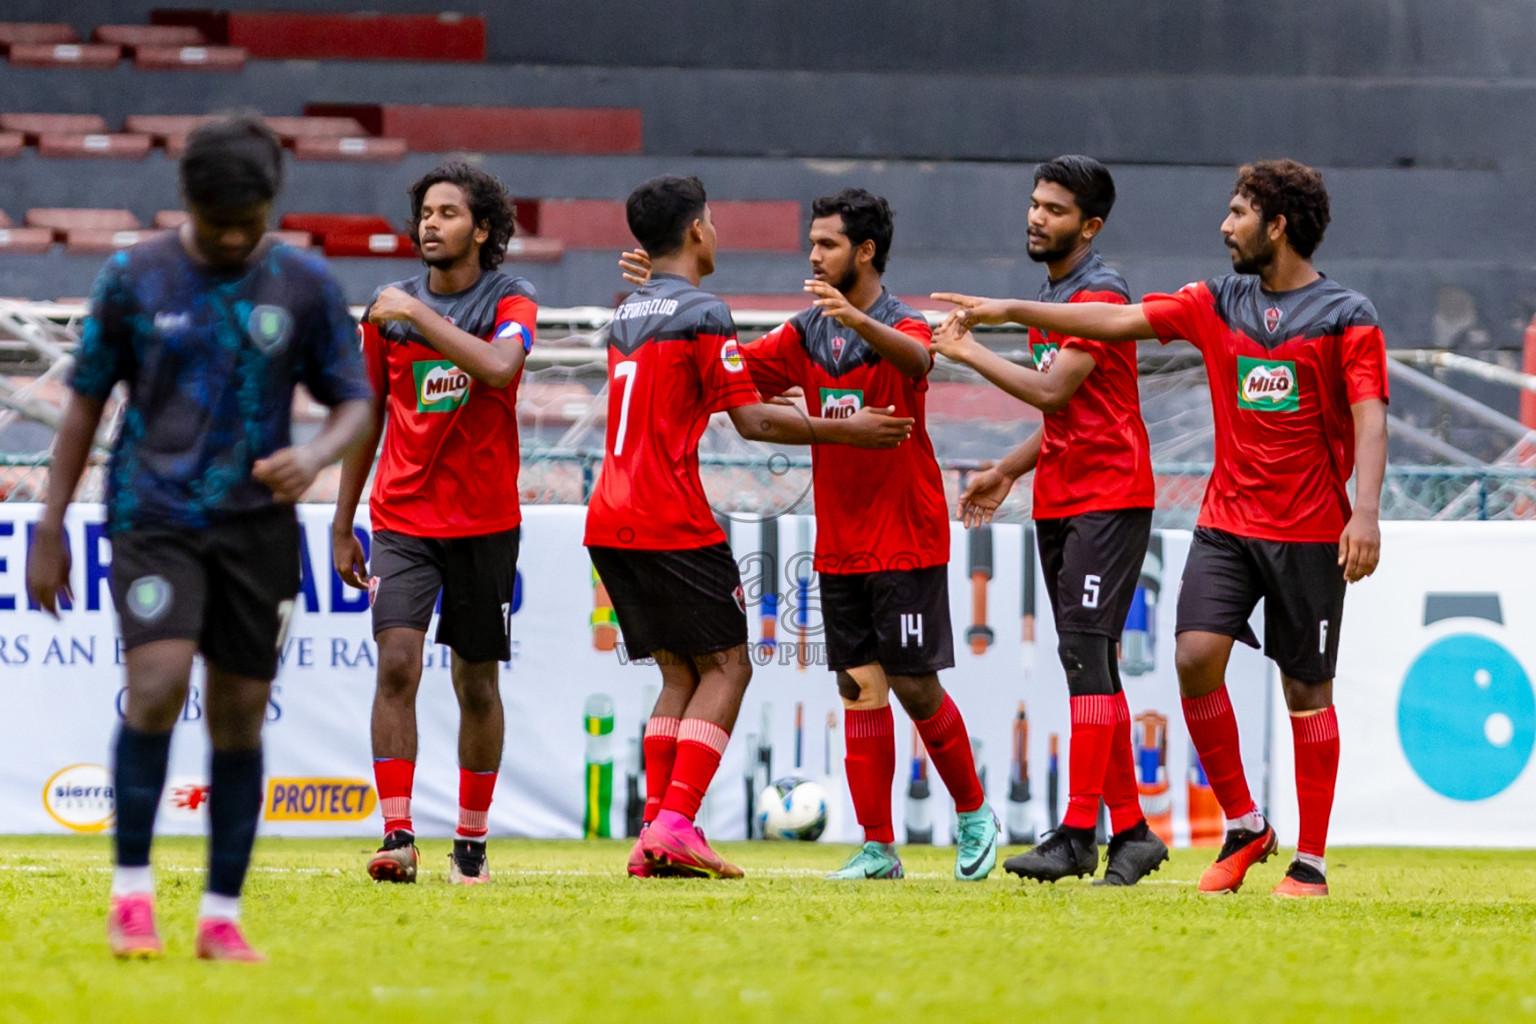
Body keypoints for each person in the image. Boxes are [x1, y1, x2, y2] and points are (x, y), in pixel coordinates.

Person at [935, 159, 1388, 898]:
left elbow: (1370, 415)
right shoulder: (1214, 301)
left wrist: (1364, 510)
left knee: (1306, 691)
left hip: (1310, 527)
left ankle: (1310, 860)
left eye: (1238, 212)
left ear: (1276, 225)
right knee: (1193, 655)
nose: (1224, 225)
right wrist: (1010, 310)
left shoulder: (1347, 315)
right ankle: (1245, 823)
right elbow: (1115, 322)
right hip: (1227, 521)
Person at [26, 117, 373, 959]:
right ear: (185, 200)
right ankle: (132, 898)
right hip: (153, 517)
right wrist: (52, 522)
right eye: (217, 218)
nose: (230, 234)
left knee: (240, 719)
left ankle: (221, 915)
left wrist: (318, 454)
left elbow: (357, 400)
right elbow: (83, 405)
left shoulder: (305, 283)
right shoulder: (133, 277)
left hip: (258, 530)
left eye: (247, 220)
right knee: (157, 682)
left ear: (271, 206)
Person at [622, 188, 1000, 882]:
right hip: (841, 542)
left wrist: (857, 317)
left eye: (826, 244)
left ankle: (974, 813)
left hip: (908, 535)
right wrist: (668, 297)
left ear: (864, 252)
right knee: (860, 689)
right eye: (812, 242)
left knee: (916, 686)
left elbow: (918, 364)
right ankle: (878, 847)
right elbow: (729, 364)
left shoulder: (902, 325)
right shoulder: (804, 334)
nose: (813, 255)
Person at [588, 175, 914, 879]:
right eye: (711, 221)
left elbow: (698, 383)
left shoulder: (626, 314)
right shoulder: (705, 313)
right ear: (698, 232)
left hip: (608, 514)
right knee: (729, 665)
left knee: (678, 674)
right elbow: (754, 419)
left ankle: (652, 834)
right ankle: (676, 822)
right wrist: (848, 427)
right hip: (668, 512)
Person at [934, 156, 1168, 885]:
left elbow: (1055, 389)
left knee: (1084, 656)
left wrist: (970, 351)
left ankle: (1077, 833)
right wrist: (1010, 465)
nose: (1038, 217)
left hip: (1110, 494)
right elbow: (1074, 414)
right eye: (1036, 204)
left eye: (1056, 209)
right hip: (1065, 494)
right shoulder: (1059, 291)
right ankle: (1130, 832)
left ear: (1089, 226)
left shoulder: (1099, 290)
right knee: (1087, 660)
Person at [332, 161, 537, 886]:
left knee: (476, 684)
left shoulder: (509, 299)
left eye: (448, 212)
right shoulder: (385, 315)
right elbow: (366, 418)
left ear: (482, 228)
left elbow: (501, 368)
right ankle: (397, 834)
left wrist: (419, 316)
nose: (430, 223)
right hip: (403, 519)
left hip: (485, 523)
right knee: (397, 664)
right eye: (424, 212)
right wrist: (341, 519)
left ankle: (472, 843)